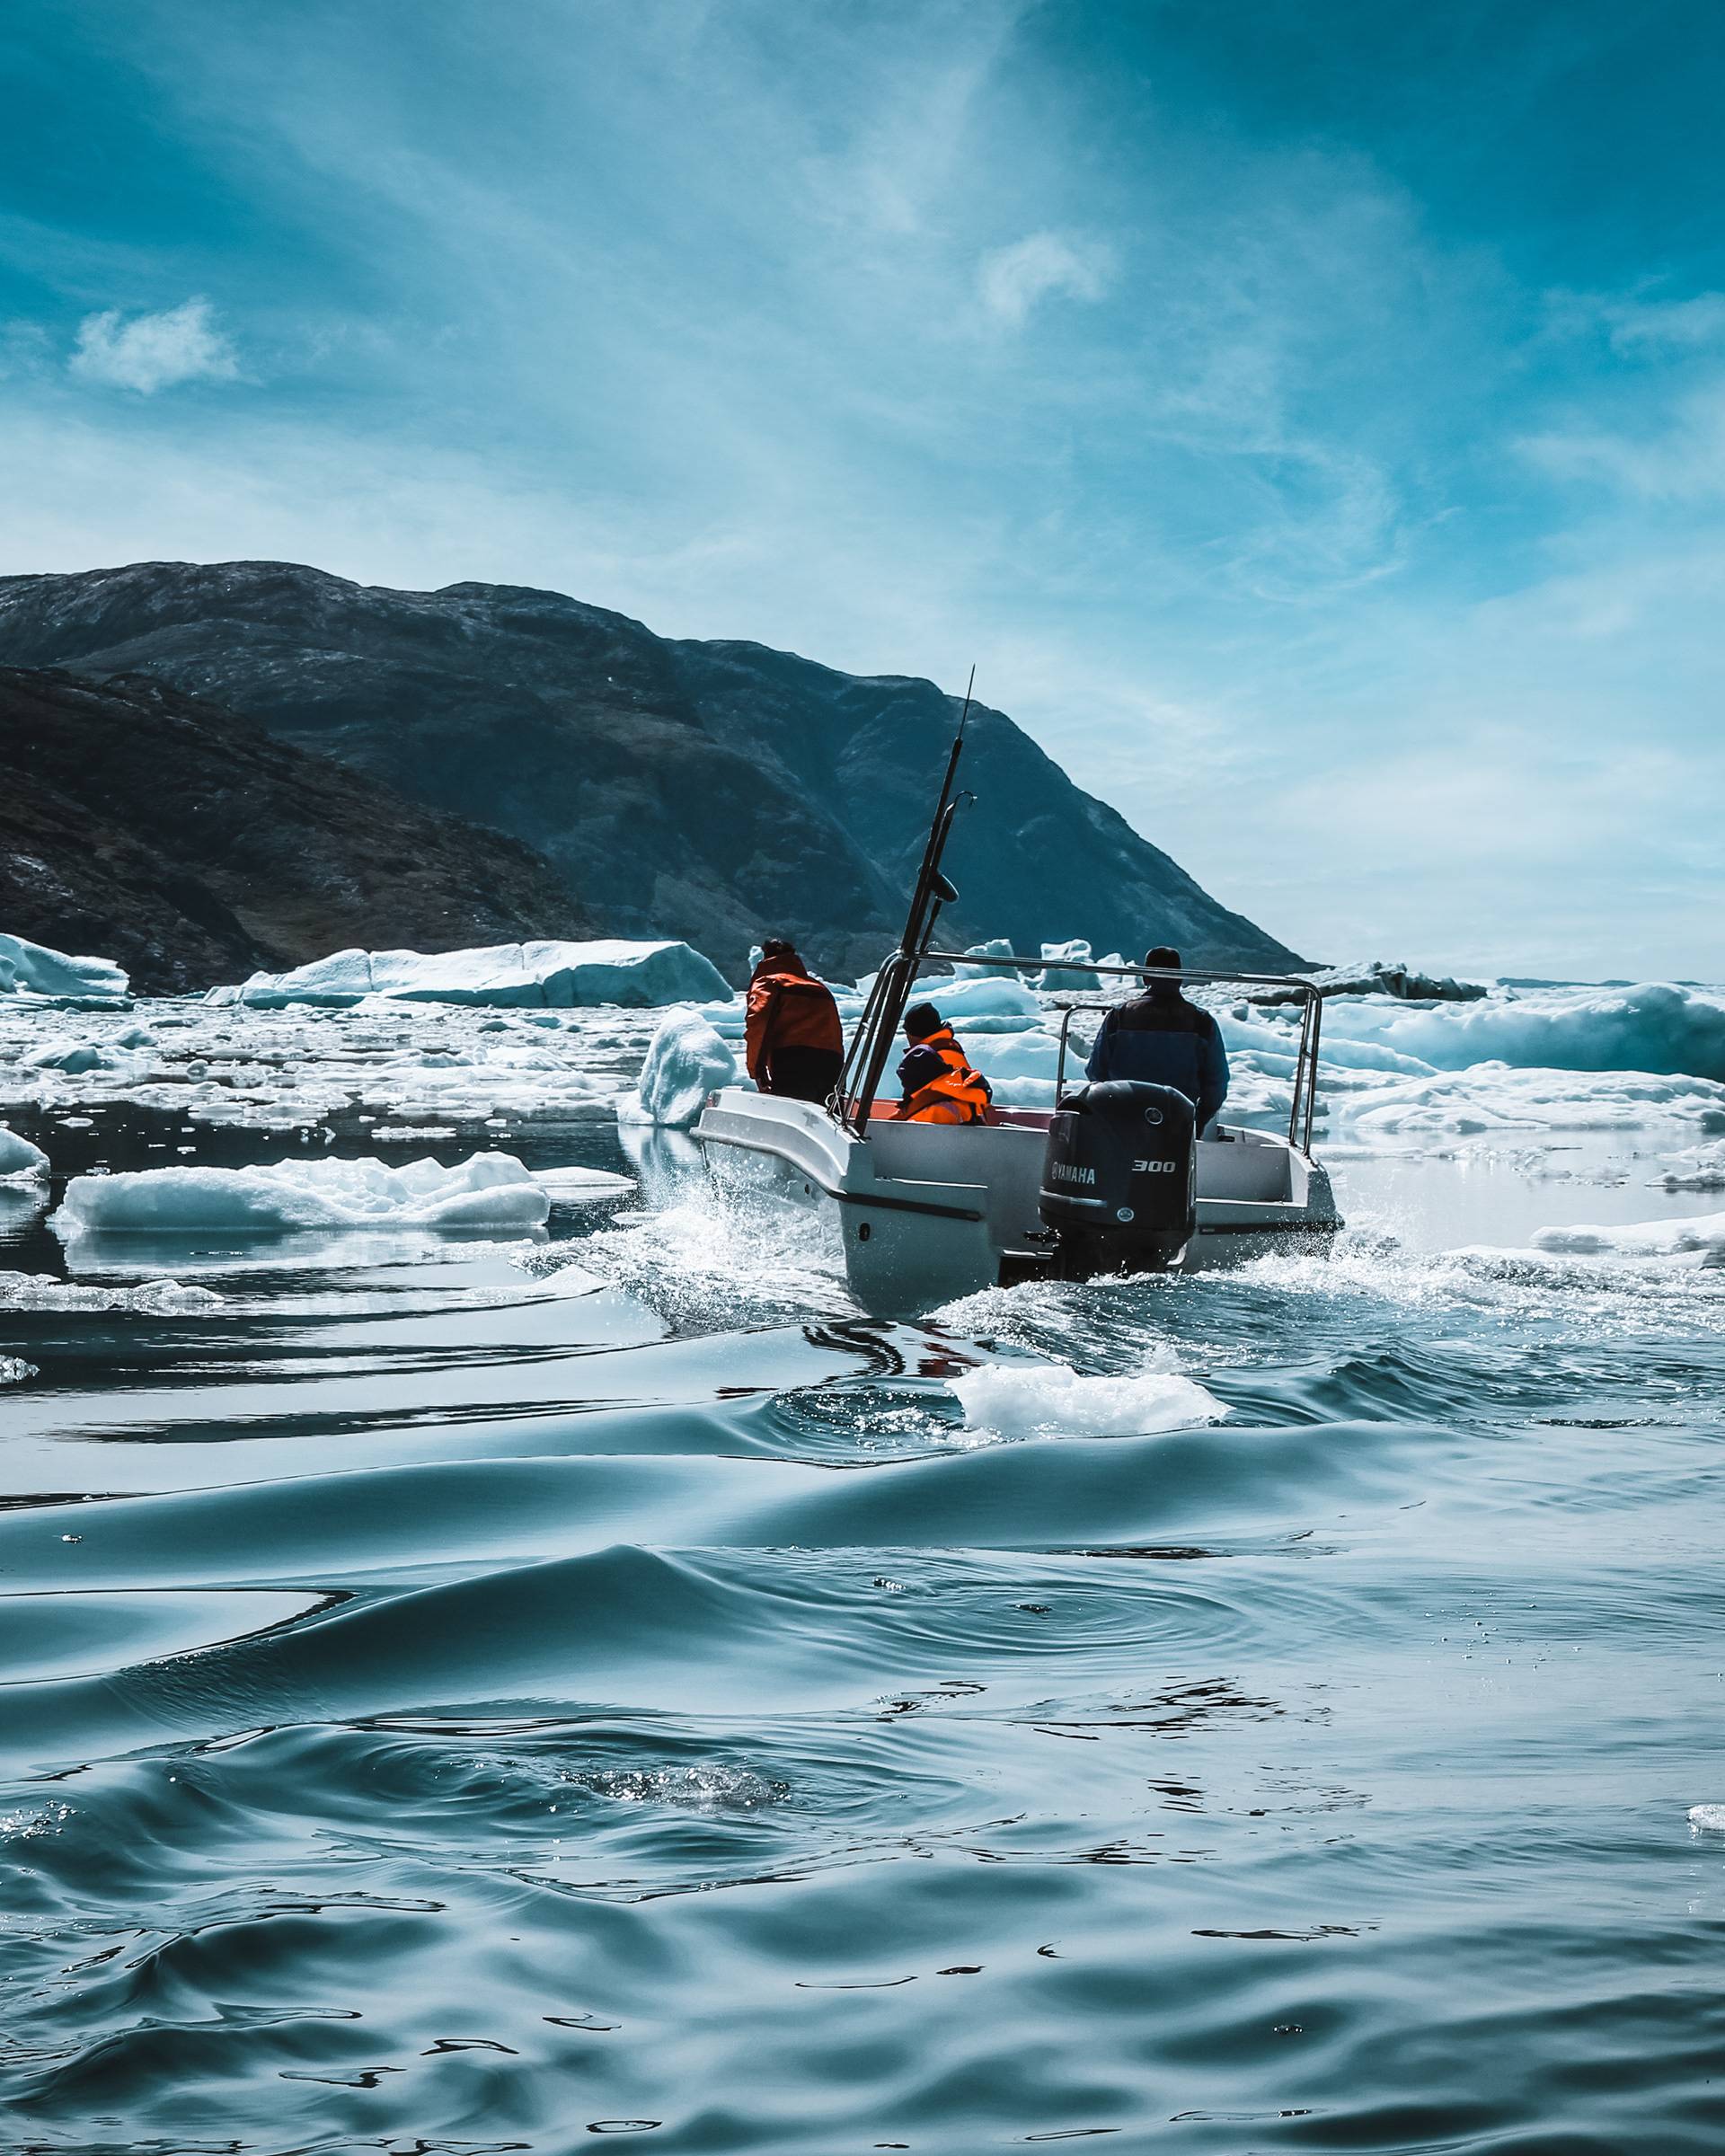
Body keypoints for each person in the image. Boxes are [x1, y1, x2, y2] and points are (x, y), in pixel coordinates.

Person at [1084, 945, 1229, 1131]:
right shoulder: (1202, 1022)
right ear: (1179, 978)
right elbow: (1217, 1082)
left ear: (1145, 977)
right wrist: (1198, 1121)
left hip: (1122, 1120)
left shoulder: (1119, 1016)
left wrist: (1111, 1111)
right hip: (1177, 1123)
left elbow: (1096, 1071)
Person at [745, 938, 844, 1101]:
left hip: (793, 1061)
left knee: (791, 1116)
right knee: (828, 1120)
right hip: (832, 1063)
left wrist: (757, 1071)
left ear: (765, 958)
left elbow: (758, 1025)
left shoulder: (769, 983)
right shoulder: (819, 988)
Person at [892, 1003, 993, 1124]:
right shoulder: (948, 1050)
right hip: (972, 1121)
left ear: (913, 1034)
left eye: (907, 1033)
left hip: (950, 1126)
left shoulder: (929, 1059)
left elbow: (929, 1100)